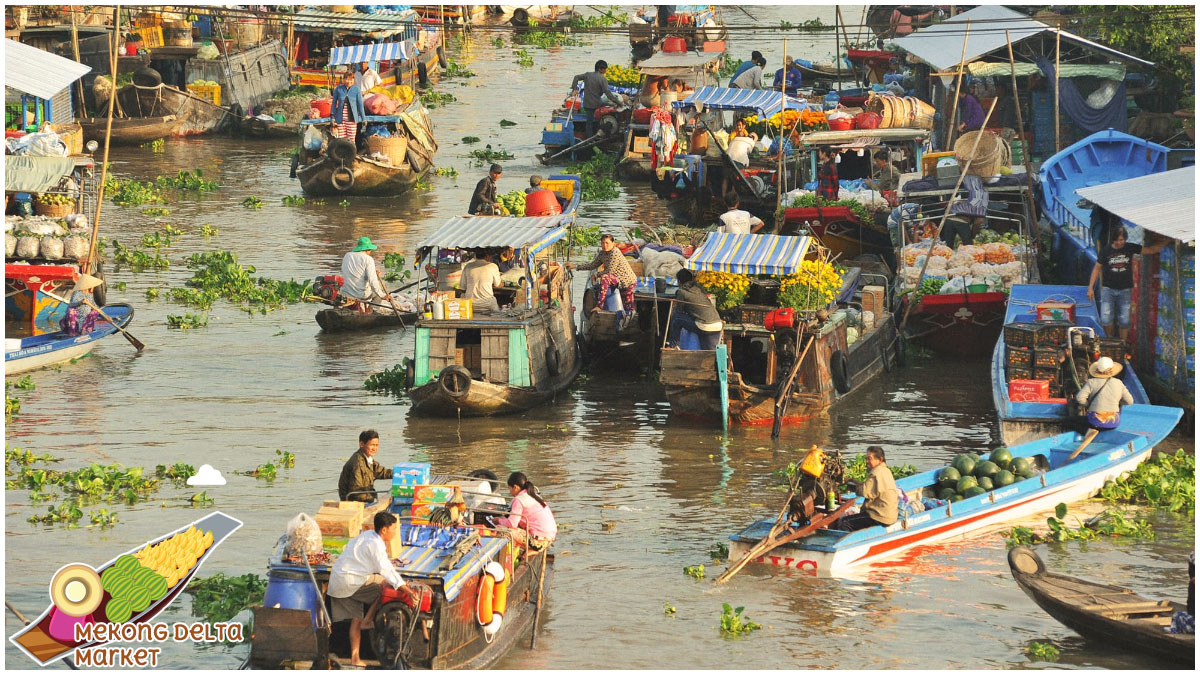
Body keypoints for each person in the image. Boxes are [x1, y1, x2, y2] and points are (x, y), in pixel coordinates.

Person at [328, 512, 407, 667]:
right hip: (349, 583)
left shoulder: (366, 535)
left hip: (340, 581)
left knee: (355, 620)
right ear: (384, 530)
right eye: (394, 528)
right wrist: (406, 589)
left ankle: (355, 658)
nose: (395, 532)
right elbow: (387, 570)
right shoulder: (375, 545)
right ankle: (368, 620)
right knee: (384, 586)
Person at [1087, 227, 1166, 340]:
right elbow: (1096, 268)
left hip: (1125, 290)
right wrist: (1090, 288)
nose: (1120, 242)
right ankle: (1109, 339)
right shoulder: (1106, 250)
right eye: (1118, 240)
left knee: (1124, 320)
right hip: (1108, 289)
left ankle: (1122, 343)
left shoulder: (1130, 247)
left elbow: (1150, 250)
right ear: (1113, 240)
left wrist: (1166, 242)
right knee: (1106, 318)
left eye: (1122, 240)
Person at [567, 233, 637, 314]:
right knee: (627, 309)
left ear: (613, 243)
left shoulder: (615, 252)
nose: (604, 245)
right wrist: (575, 266)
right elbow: (592, 265)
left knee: (605, 278)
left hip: (627, 281)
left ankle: (599, 306)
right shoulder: (602, 253)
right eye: (602, 243)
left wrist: (596, 274)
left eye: (607, 243)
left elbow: (609, 271)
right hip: (617, 280)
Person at [839, 446, 898, 531]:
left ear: (880, 460)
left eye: (869, 459)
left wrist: (853, 486)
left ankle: (851, 543)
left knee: (845, 522)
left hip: (880, 516)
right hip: (890, 515)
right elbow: (870, 487)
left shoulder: (876, 473)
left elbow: (863, 491)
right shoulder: (885, 470)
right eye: (866, 459)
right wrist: (854, 481)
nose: (867, 462)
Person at [494, 471, 557, 548]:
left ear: (515, 487)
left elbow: (512, 524)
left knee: (500, 530)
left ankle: (533, 549)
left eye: (510, 489)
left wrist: (498, 520)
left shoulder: (519, 500)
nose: (510, 492)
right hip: (549, 537)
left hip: (538, 541)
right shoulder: (534, 495)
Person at [667, 269, 723, 350]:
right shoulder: (699, 288)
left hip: (705, 326)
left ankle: (673, 345)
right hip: (717, 324)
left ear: (679, 281)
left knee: (676, 318)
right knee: (709, 353)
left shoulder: (681, 292)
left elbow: (679, 310)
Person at [1075, 356, 1133, 431]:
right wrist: (1117, 402)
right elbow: (1130, 401)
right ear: (1112, 370)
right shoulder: (1119, 383)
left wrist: (1088, 404)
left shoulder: (1091, 382)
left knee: (1072, 421)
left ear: (1097, 370)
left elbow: (1079, 398)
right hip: (1113, 423)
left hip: (1094, 422)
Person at [340, 237, 397, 313]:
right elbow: (372, 281)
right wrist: (383, 296)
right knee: (380, 287)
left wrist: (373, 272)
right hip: (360, 295)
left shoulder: (347, 255)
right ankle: (372, 310)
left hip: (345, 293)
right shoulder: (368, 259)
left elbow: (354, 272)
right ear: (367, 250)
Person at [338, 430, 394, 503]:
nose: (374, 448)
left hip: (364, 499)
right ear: (361, 444)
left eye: (376, 445)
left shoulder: (367, 459)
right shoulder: (358, 463)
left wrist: (399, 473)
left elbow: (381, 471)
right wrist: (374, 497)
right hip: (353, 503)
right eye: (372, 445)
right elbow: (356, 492)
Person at [570, 60, 621, 139]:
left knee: (589, 122)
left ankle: (589, 137)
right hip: (596, 103)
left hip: (587, 103)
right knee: (607, 105)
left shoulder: (587, 75)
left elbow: (576, 77)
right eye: (605, 69)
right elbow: (608, 94)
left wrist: (574, 88)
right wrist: (618, 102)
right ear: (600, 69)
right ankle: (591, 138)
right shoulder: (602, 79)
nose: (605, 71)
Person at [460, 250, 503, 314]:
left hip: (470, 304)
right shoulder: (492, 266)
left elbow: (462, 288)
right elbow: (498, 285)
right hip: (488, 305)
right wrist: (502, 283)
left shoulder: (468, 266)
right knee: (497, 308)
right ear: (487, 256)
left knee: (462, 295)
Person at [330, 71, 365, 143]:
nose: (349, 81)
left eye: (351, 79)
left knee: (351, 140)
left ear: (353, 80)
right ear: (343, 80)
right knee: (341, 140)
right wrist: (332, 116)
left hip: (352, 120)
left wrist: (363, 118)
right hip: (340, 120)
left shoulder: (357, 90)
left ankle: (351, 154)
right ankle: (342, 154)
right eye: (347, 79)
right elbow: (334, 103)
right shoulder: (338, 89)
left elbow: (360, 104)